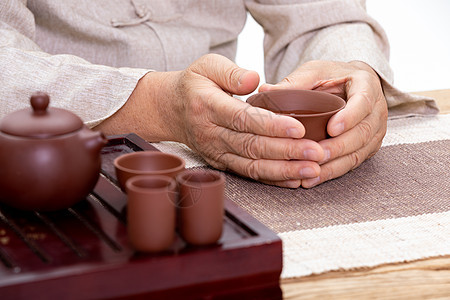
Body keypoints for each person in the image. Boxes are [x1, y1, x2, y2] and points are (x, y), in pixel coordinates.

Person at [0, 0, 438, 188]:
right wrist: (155, 105)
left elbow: (320, 17)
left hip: (222, 168)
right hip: (43, 160)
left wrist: (353, 69)